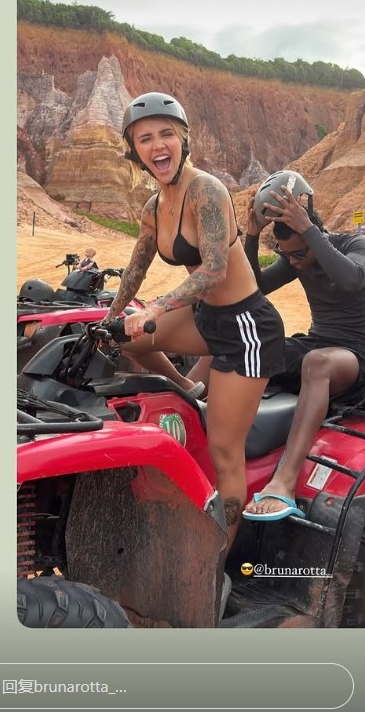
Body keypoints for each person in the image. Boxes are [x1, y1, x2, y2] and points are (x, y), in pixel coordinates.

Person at [103, 92, 285, 550]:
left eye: (166, 134)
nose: (157, 145)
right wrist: (110, 317)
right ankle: (187, 388)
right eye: (145, 138)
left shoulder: (206, 190)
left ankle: (221, 557)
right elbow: (137, 266)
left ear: (183, 140)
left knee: (225, 450)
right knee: (128, 342)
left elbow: (213, 270)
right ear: (135, 150)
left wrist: (155, 309)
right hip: (206, 316)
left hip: (246, 326)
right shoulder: (153, 207)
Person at [242, 170, 365, 522]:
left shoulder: (358, 246)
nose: (292, 261)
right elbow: (254, 287)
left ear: (312, 232)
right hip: (315, 344)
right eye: (285, 254)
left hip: (355, 357)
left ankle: (284, 482)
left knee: (317, 363)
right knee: (248, 342)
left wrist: (309, 231)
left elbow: (351, 279)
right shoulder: (298, 256)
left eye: (298, 253)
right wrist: (252, 236)